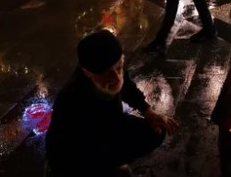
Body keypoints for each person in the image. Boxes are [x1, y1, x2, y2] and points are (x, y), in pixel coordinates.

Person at [46, 30, 179, 176]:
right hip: (80, 152)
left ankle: (112, 164)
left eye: (119, 68)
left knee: (156, 130)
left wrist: (149, 112)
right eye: (107, 73)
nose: (116, 78)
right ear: (88, 72)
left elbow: (126, 86)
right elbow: (70, 147)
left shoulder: (111, 65)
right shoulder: (73, 99)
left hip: (110, 125)